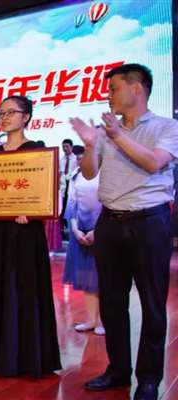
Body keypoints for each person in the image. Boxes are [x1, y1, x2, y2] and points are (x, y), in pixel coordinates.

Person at [69, 63, 178, 400]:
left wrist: (116, 135)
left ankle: (149, 379)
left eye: (113, 88)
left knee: (152, 303)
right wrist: (90, 145)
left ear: (137, 88)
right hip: (110, 222)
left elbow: (153, 162)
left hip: (150, 221)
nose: (108, 95)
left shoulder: (166, 126)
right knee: (112, 302)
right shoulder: (104, 132)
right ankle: (117, 370)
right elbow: (89, 173)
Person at [0, 95, 61, 377]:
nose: (5, 117)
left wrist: (33, 211)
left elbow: (48, 193)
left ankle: (27, 357)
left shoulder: (38, 151)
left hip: (26, 232)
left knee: (24, 289)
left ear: (26, 117)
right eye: (1, 112)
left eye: (11, 112)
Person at [62, 145, 104, 335]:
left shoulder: (106, 173)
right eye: (79, 158)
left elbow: (109, 204)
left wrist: (97, 230)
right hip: (80, 232)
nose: (81, 160)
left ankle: (103, 321)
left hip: (103, 232)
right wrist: (75, 230)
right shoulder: (76, 175)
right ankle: (91, 319)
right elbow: (72, 204)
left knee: (103, 279)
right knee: (87, 278)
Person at [59, 138, 77, 240]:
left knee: (71, 207)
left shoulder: (76, 159)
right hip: (63, 186)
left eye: (67, 146)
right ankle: (63, 228)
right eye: (63, 147)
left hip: (72, 184)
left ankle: (72, 230)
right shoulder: (61, 159)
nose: (65, 149)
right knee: (62, 207)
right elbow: (60, 173)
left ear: (71, 147)